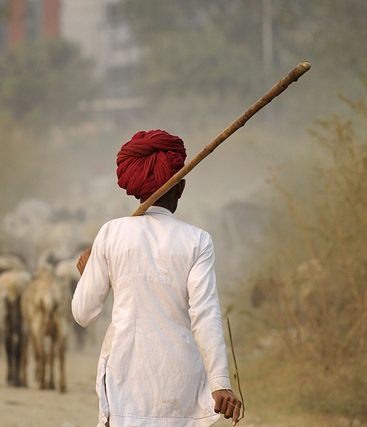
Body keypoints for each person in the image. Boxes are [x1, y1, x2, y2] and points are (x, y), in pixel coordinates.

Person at [72, 129, 242, 427]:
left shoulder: (111, 233)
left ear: (135, 188)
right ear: (181, 187)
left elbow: (83, 315)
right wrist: (220, 383)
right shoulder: (198, 240)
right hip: (181, 388)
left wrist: (89, 276)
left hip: (125, 384)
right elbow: (205, 315)